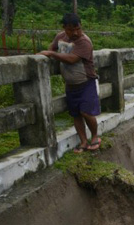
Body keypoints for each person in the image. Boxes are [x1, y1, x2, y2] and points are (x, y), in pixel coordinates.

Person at [39, 13, 101, 153]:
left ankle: (95, 136)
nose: (75, 33)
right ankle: (83, 141)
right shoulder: (60, 37)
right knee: (76, 114)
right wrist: (50, 52)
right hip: (70, 84)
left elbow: (72, 59)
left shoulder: (84, 42)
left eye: (77, 29)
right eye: (70, 30)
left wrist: (52, 55)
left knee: (86, 112)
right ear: (64, 28)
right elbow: (52, 47)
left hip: (86, 83)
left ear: (81, 26)